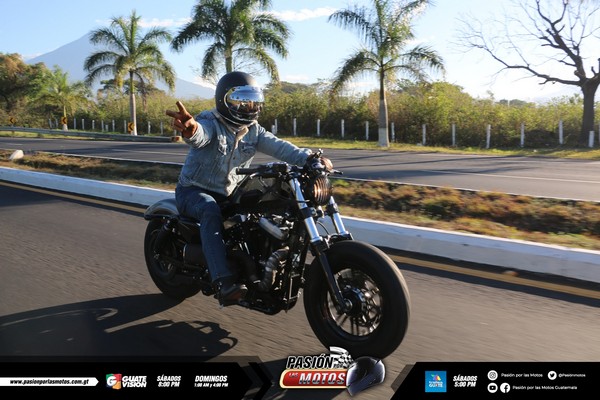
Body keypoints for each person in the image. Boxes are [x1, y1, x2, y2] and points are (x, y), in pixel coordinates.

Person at [166, 71, 314, 306]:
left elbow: (280, 147)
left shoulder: (254, 130)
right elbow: (201, 135)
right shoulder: (210, 122)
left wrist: (311, 159)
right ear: (224, 100)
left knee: (265, 204)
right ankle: (222, 282)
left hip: (229, 192)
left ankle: (258, 265)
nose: (248, 107)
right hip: (194, 191)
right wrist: (191, 129)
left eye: (253, 101)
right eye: (242, 100)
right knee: (209, 209)